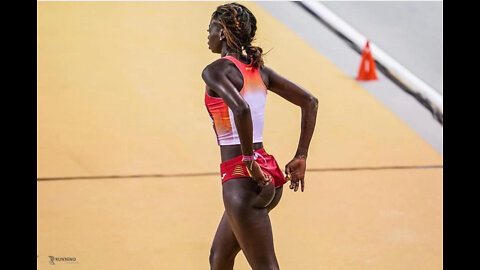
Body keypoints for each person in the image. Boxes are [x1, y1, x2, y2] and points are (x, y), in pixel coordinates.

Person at [202, 3, 318, 269]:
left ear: (221, 32)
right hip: (268, 175)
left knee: (266, 267)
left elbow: (240, 109)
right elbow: (310, 102)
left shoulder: (215, 71)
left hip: (243, 177)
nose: (206, 35)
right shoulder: (259, 70)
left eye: (209, 29)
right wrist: (301, 155)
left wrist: (248, 160)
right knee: (219, 257)